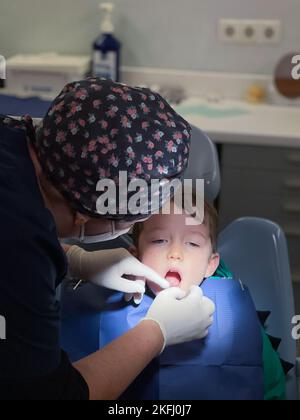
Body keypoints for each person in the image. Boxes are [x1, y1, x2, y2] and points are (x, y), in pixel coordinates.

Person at [0, 78, 215, 400]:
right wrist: (155, 333)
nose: (174, 254)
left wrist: (73, 258)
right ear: (84, 213)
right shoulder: (19, 244)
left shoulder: (15, 142)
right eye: (135, 223)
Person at [78, 194, 285, 400]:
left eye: (193, 243)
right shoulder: (105, 310)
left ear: (211, 264)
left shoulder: (236, 316)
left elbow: (271, 384)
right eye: (159, 240)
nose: (175, 253)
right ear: (135, 255)